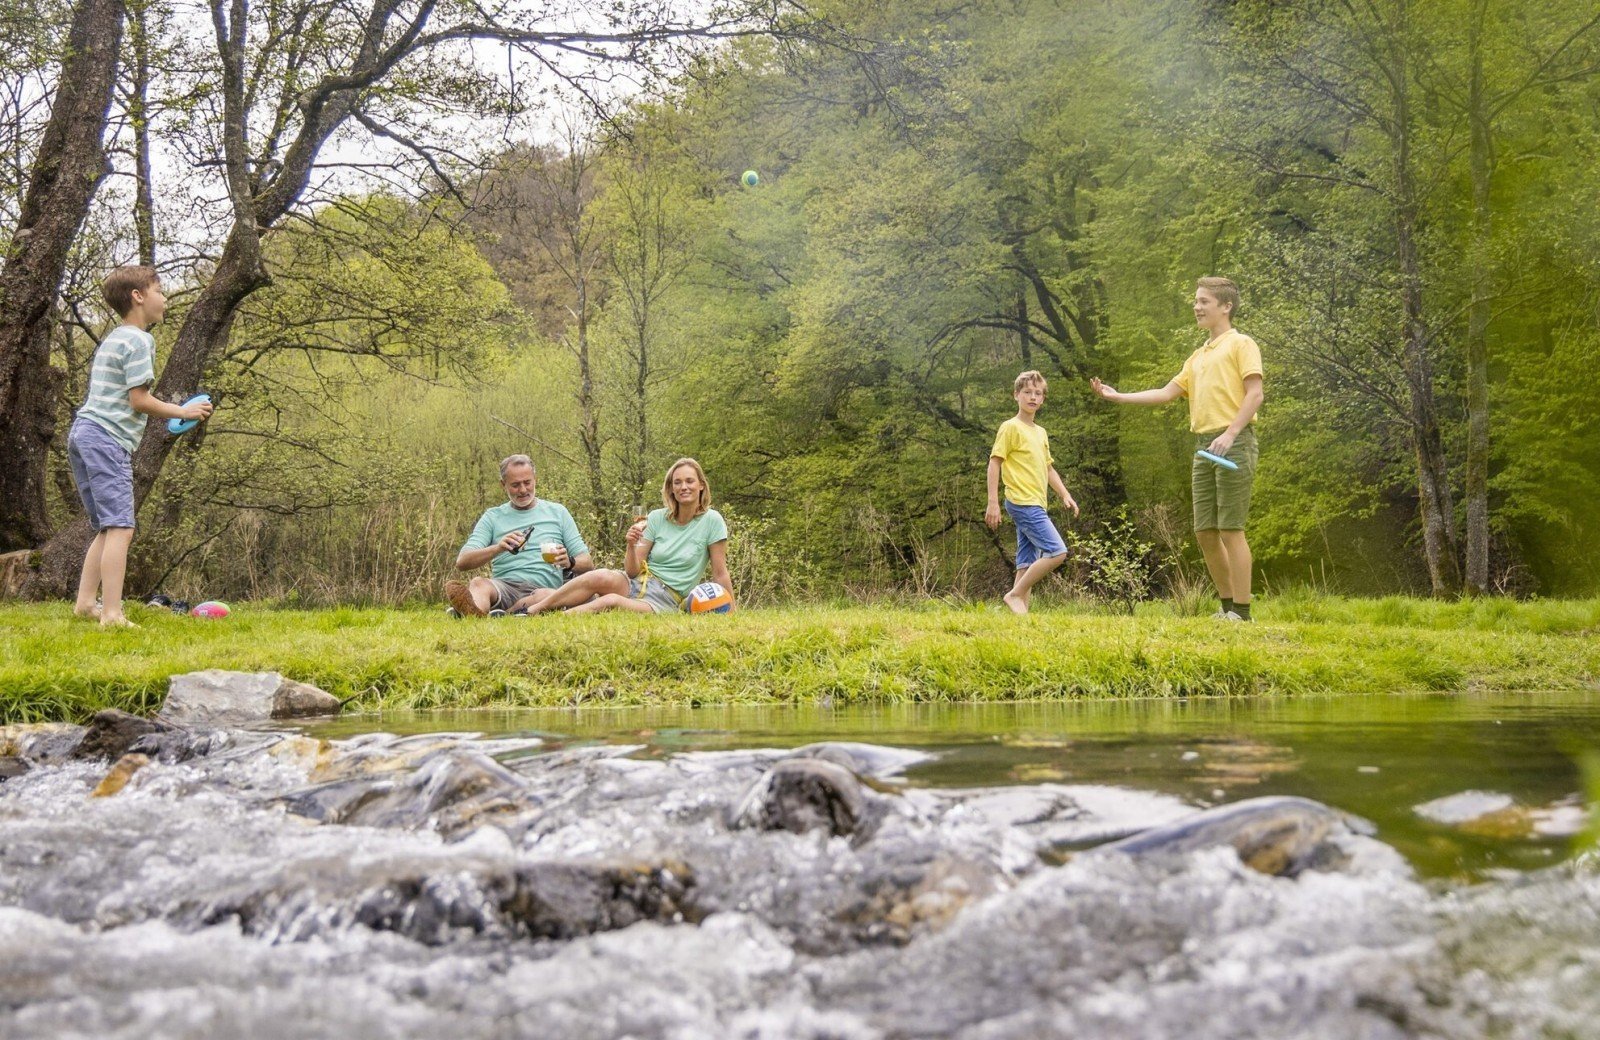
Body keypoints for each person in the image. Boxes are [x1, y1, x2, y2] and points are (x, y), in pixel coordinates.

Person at [1090, 276, 1264, 621]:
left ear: (1225, 306)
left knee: (1231, 529)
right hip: (1204, 446)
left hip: (1234, 442)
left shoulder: (1241, 344)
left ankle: (1242, 613)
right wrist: (1118, 396)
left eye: (1204, 302)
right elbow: (1166, 393)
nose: (1197, 307)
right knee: (1205, 532)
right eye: (1196, 301)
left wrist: (1230, 433)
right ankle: (1227, 607)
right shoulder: (1198, 356)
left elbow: (1255, 394)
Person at [69, 265, 213, 628]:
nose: (164, 298)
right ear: (138, 296)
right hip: (106, 438)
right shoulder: (139, 340)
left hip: (83, 433)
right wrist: (183, 410)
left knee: (106, 526)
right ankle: (113, 614)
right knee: (121, 527)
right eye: (159, 290)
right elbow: (139, 400)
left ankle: (86, 604)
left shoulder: (114, 339)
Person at [519, 457, 734, 615]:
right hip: (638, 583)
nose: (683, 487)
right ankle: (532, 611)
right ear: (670, 489)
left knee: (611, 601)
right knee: (600, 575)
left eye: (689, 481)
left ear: (701, 485)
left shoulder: (712, 521)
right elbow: (632, 571)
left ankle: (557, 618)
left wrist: (732, 609)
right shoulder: (657, 518)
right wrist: (631, 545)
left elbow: (720, 573)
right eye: (677, 482)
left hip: (666, 599)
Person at [445, 454, 594, 616]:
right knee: (478, 583)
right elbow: (462, 561)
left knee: (544, 595)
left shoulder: (558, 512)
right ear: (503, 485)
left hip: (543, 590)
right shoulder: (492, 516)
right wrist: (498, 548)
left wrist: (569, 562)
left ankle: (494, 614)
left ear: (535, 479)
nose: (523, 490)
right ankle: (476, 612)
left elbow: (588, 564)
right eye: (515, 485)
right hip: (504, 586)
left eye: (527, 483)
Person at [985, 370, 1081, 615]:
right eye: (1027, 392)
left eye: (1038, 393)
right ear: (1016, 395)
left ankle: (1021, 615)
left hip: (1037, 502)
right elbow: (994, 463)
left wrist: (1065, 494)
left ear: (1043, 399)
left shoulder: (1040, 432)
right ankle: (1014, 595)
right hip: (1021, 501)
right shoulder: (1010, 427)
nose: (1033, 397)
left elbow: (1048, 468)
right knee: (1057, 551)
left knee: (1026, 561)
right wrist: (993, 502)